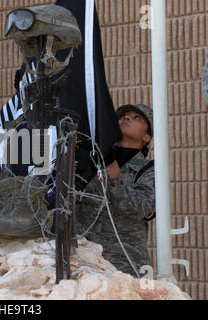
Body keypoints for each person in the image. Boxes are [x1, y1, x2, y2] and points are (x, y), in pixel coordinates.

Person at [75, 103, 155, 277]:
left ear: (147, 137)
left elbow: (139, 208)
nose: (126, 118)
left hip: (124, 263)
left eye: (136, 117)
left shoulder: (149, 170)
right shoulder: (90, 158)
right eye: (123, 116)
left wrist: (114, 178)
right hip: (81, 259)